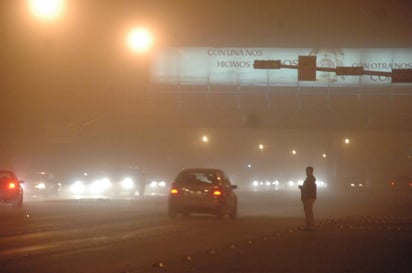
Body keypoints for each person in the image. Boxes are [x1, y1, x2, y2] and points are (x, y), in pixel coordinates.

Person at [298, 166, 317, 231]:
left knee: (308, 212)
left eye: (307, 171)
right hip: (309, 197)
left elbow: (307, 189)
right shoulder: (310, 179)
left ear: (310, 172)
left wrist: (301, 187)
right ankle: (309, 225)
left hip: (308, 197)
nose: (306, 172)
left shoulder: (309, 179)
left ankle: (310, 226)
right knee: (308, 212)